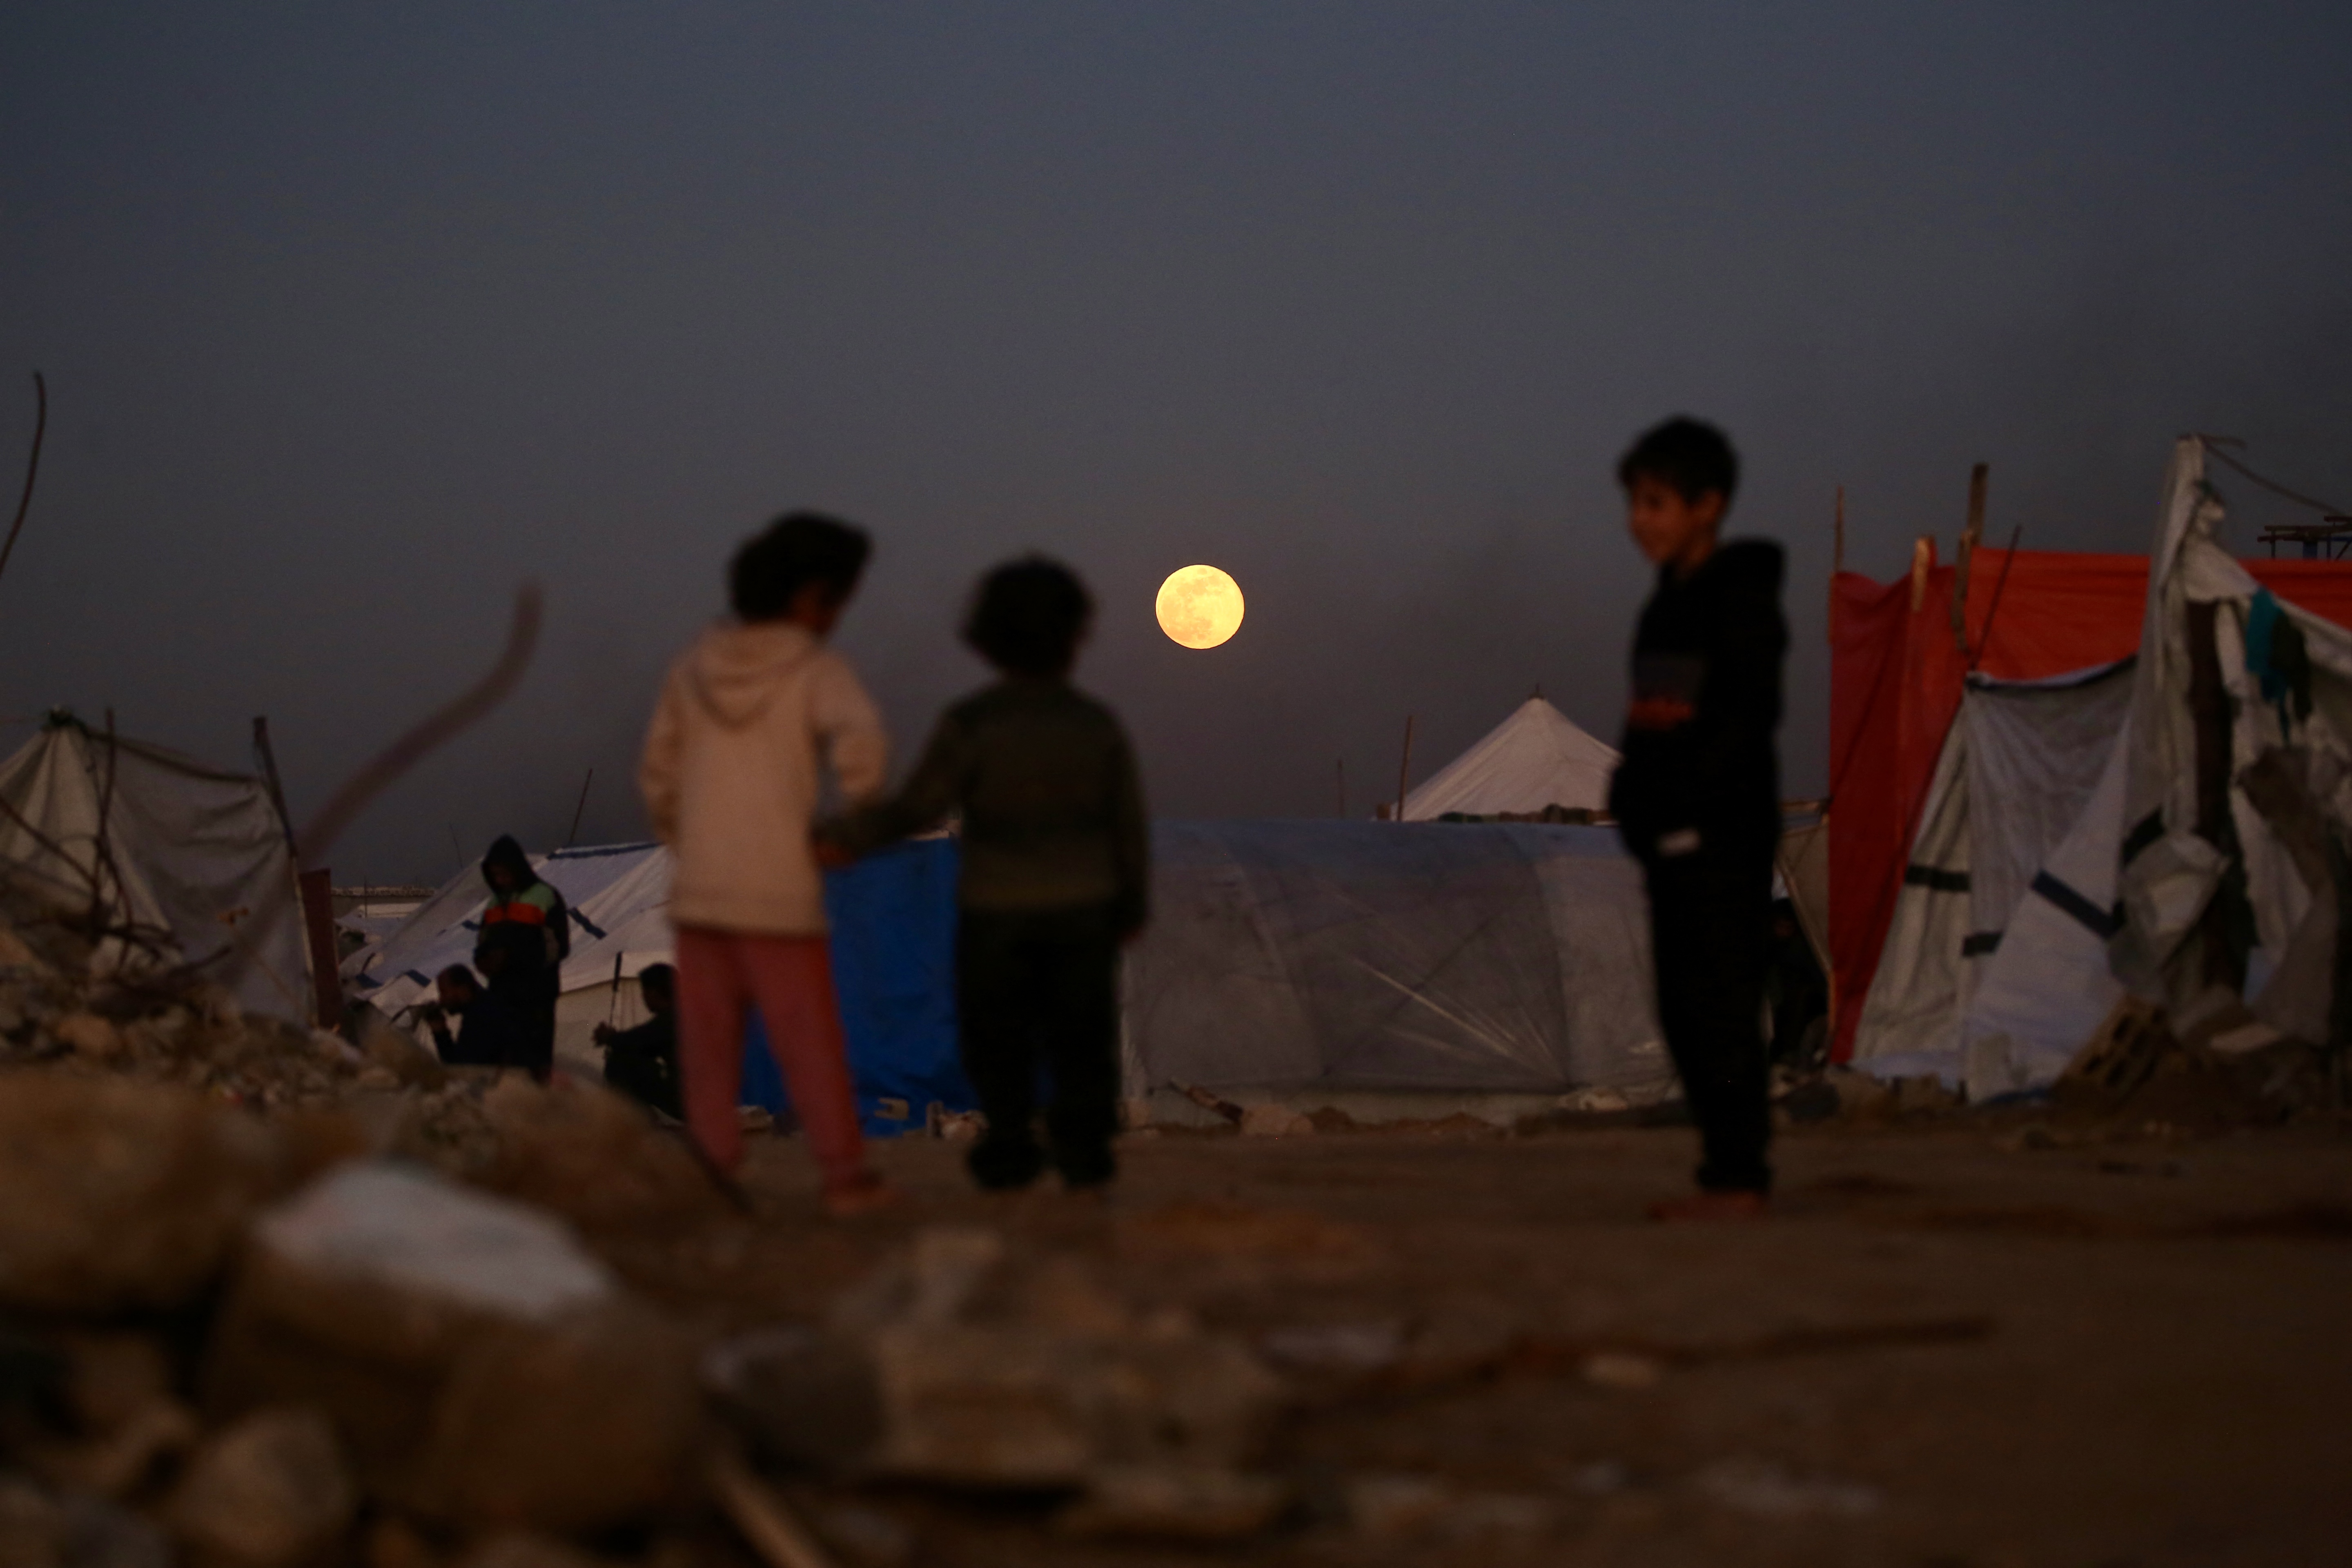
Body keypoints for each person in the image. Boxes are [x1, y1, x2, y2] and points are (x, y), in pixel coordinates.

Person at [823, 557, 1148, 1194]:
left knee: (1000, 1033)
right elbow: (1126, 825)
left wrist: (843, 838)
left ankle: (1009, 1141)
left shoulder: (972, 724)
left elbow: (918, 805)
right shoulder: (1095, 726)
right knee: (1081, 1033)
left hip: (995, 910)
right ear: (1074, 637)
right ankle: (1084, 1151)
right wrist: (1130, 904)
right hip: (1082, 910)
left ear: (988, 640)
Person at [638, 510, 895, 1216]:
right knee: (807, 1039)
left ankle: (715, 1171)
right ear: (811, 597)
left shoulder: (692, 666)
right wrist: (852, 825)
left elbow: (658, 772)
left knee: (709, 1047)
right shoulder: (816, 670)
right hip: (779, 892)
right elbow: (863, 743)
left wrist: (689, 841)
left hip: (702, 892)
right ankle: (844, 1177)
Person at [1605, 417, 1786, 1221]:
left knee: (1720, 1003)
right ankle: (1725, 1171)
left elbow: (1743, 722)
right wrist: (1632, 798)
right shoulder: (1664, 608)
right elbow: (1652, 718)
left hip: (1721, 835)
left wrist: (1691, 812)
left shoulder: (1740, 604)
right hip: (1668, 841)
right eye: (1635, 504)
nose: (1641, 521)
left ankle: (1738, 1177)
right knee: (1682, 1006)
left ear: (1707, 506)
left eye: (1657, 503)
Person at [476, 835, 570, 1080]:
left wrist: (511, 958)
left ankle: (536, 1114)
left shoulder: (545, 896)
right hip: (501, 998)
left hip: (536, 998)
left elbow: (558, 947)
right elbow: (482, 944)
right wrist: (484, 961)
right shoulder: (493, 905)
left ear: (518, 869)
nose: (500, 880)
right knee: (504, 1066)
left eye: (505, 874)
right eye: (495, 875)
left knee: (534, 1067)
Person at [595, 962, 683, 1119]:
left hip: (691, 1100)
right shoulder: (682, 1015)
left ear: (654, 993)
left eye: (645, 992)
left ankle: (637, 1123)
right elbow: (642, 1042)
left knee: (620, 1061)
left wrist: (610, 1037)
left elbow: (640, 1039)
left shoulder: (673, 1018)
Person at [419, 962, 527, 1068]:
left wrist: (441, 1033)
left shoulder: (481, 1017)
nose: (441, 1000)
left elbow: (462, 1070)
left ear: (463, 989)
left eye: (444, 992)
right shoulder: (485, 1006)